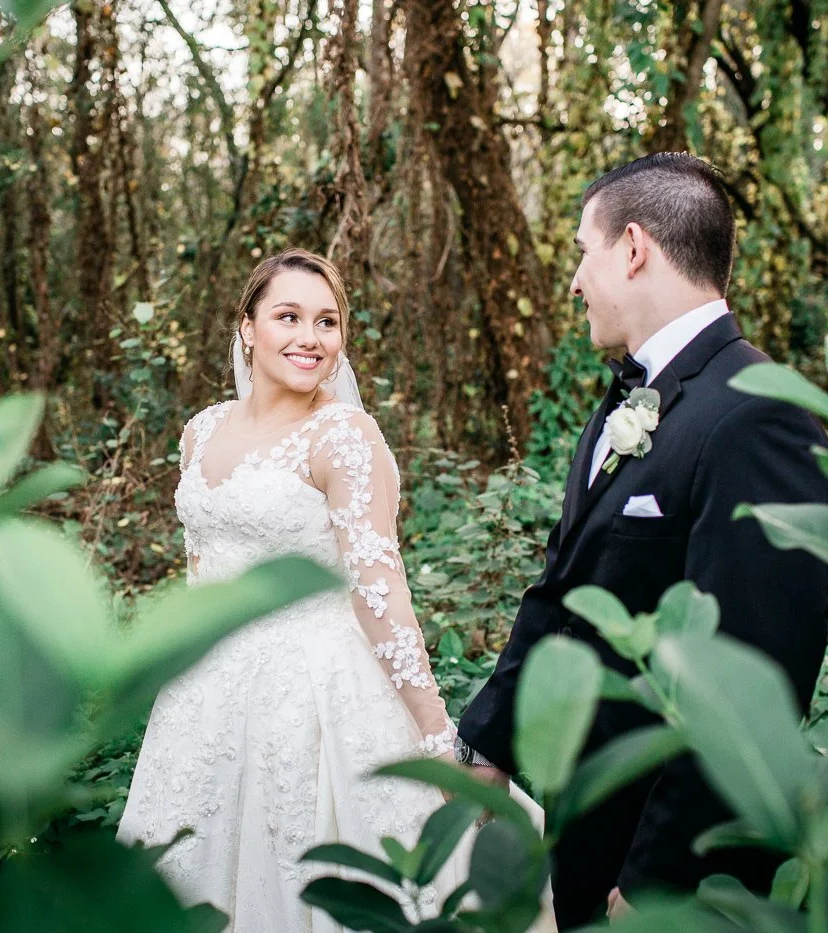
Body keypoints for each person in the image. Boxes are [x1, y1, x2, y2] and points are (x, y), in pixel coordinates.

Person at [455, 153, 828, 928]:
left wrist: (667, 871)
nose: (573, 281)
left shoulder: (762, 416)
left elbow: (757, 674)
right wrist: (489, 740)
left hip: (661, 865)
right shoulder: (624, 403)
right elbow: (566, 586)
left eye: (580, 251)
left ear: (633, 248)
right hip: (586, 828)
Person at [118, 248, 553, 931]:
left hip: (311, 693)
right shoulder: (200, 432)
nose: (310, 338)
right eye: (288, 316)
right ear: (248, 326)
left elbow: (381, 592)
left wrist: (440, 743)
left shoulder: (344, 436)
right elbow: (199, 567)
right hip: (203, 699)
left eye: (327, 321)